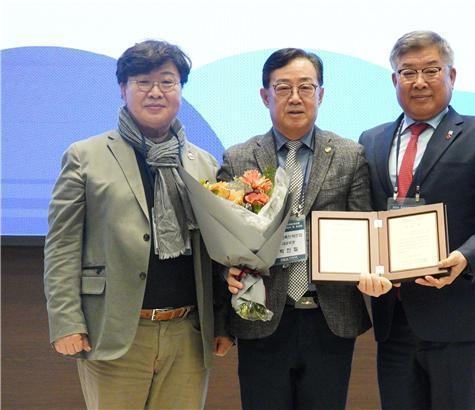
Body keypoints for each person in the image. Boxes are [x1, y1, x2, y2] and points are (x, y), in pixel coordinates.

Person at [43, 40, 233, 410]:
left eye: (167, 81)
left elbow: (217, 254)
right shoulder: (86, 156)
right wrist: (66, 322)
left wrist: (221, 322)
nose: (156, 92)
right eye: (143, 82)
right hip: (114, 330)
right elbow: (62, 245)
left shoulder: (204, 163)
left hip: (188, 334)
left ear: (180, 89)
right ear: (123, 88)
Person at [359, 31, 475, 410]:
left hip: (459, 315)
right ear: (394, 80)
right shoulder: (371, 140)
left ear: (451, 76)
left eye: (431, 70)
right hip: (394, 318)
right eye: (407, 72)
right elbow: (365, 218)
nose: (419, 81)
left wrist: (467, 257)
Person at [221, 48, 392, 410]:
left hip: (329, 318)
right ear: (265, 96)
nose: (295, 98)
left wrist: (371, 268)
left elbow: (364, 227)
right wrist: (228, 272)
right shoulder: (238, 157)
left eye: (306, 87)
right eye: (283, 88)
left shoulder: (349, 154)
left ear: (321, 94)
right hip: (263, 315)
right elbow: (222, 240)